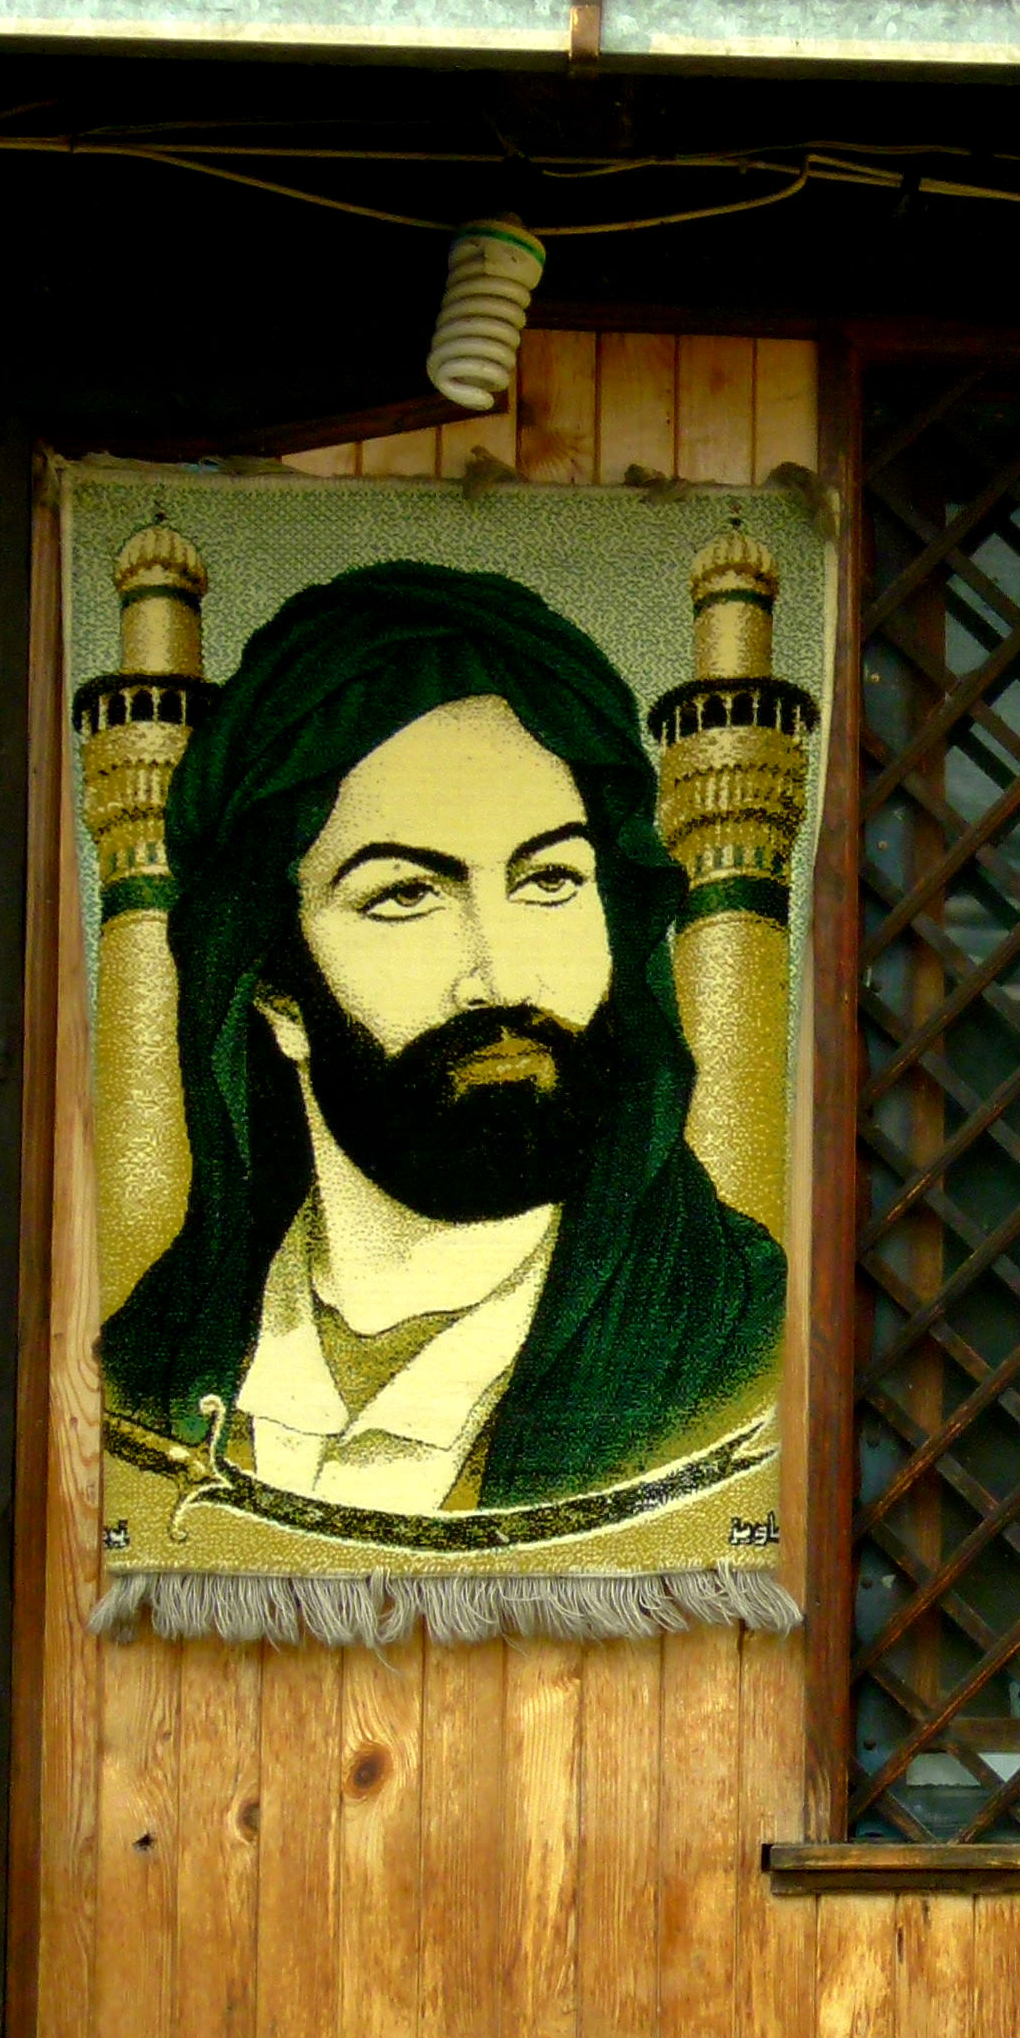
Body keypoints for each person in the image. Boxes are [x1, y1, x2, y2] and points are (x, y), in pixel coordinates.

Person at [98, 562, 782, 1516]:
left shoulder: (733, 1337)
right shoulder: (149, 1371)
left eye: (549, 881)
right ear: (277, 994)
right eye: (405, 896)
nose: (500, 978)